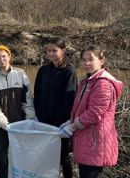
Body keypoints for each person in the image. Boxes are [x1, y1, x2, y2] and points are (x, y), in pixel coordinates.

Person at [60, 46, 123, 178]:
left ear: (101, 60)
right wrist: (70, 121)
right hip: (87, 139)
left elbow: (94, 113)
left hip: (95, 141)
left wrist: (72, 127)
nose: (86, 63)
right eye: (83, 60)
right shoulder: (88, 81)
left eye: (91, 59)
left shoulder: (103, 83)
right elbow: (81, 109)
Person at [0, 45, 36, 178]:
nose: (1, 59)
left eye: (4, 56)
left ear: (9, 57)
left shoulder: (21, 75)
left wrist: (30, 120)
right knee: (2, 158)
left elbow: (28, 100)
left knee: (21, 157)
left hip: (20, 126)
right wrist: (4, 124)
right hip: (1, 128)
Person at [33, 37, 78, 178]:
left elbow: (69, 100)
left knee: (63, 157)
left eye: (54, 50)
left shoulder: (69, 72)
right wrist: (37, 116)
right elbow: (38, 95)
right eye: (48, 50)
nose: (51, 53)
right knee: (44, 155)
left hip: (60, 124)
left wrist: (60, 121)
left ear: (63, 51)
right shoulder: (43, 70)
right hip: (43, 121)